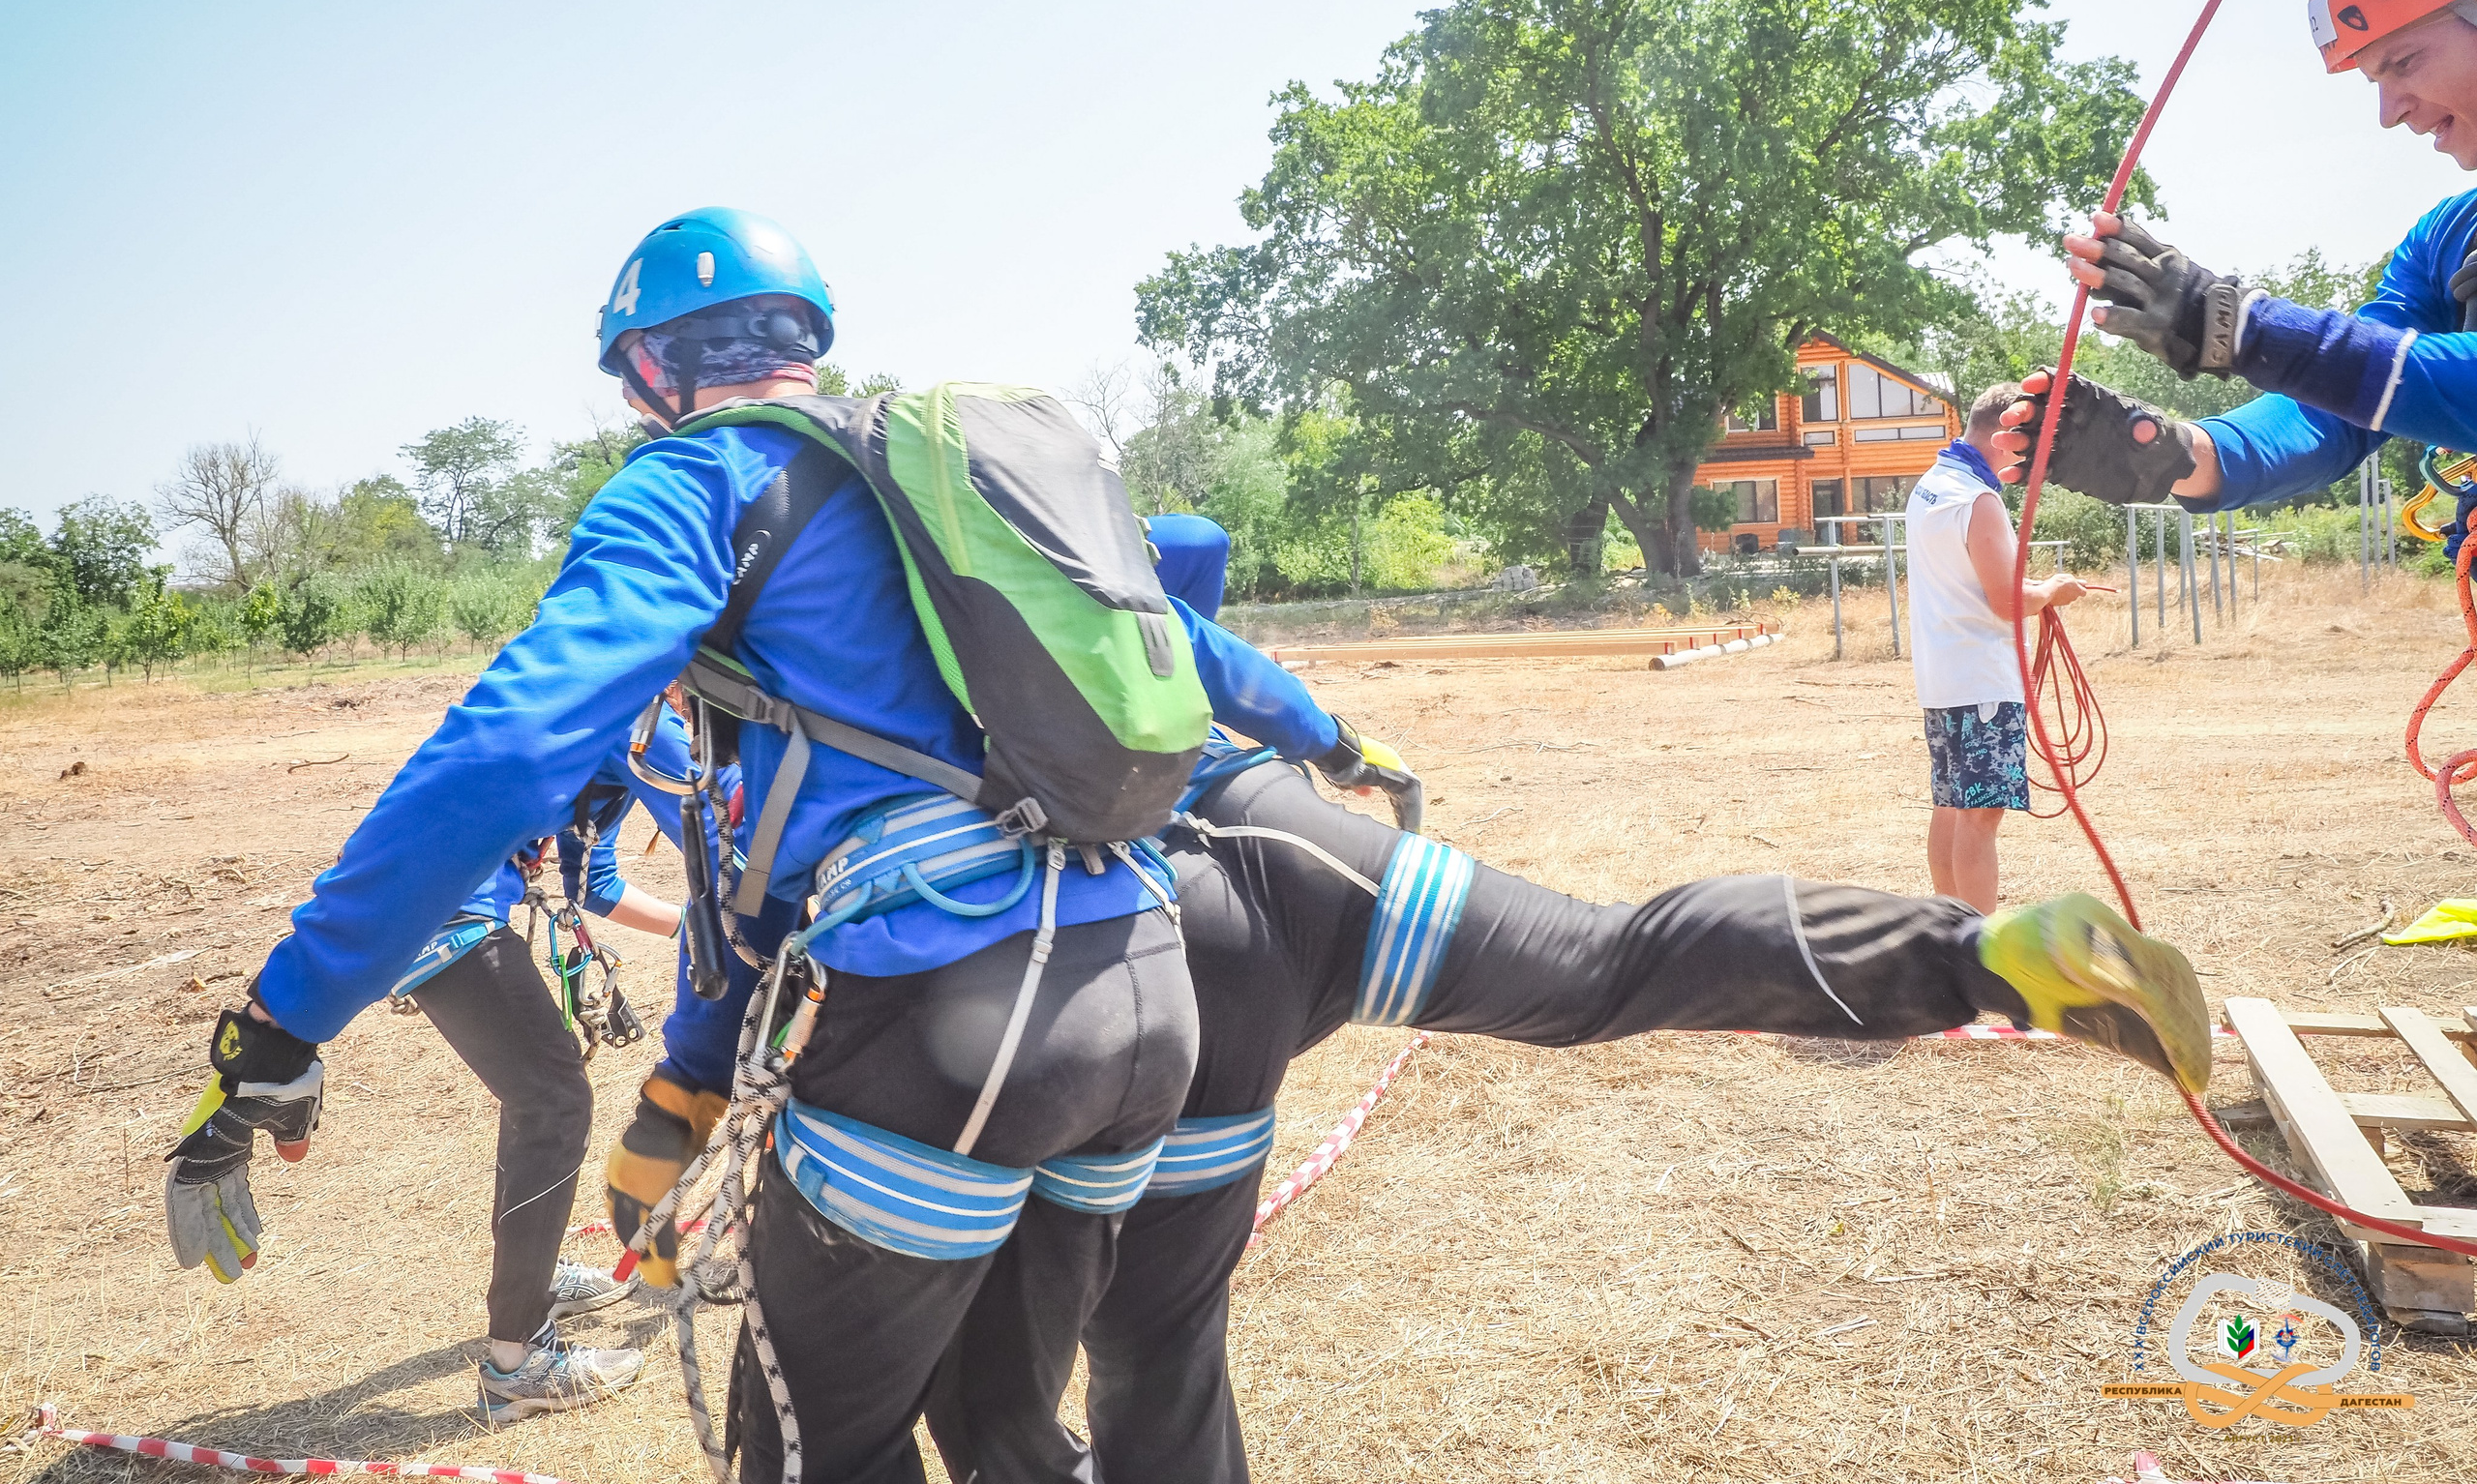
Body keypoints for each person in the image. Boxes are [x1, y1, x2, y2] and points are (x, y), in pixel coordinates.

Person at [161, 206, 1410, 1484]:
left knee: (813, 1434)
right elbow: (1173, 638)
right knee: (1017, 1423)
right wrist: (1328, 733)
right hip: (1130, 989)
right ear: (807, 341)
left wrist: (285, 1017)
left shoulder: (696, 478)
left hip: (917, 1033)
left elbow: (514, 757)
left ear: (651, 369)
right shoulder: (926, 475)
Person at [913, 533, 2207, 1484]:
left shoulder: (954, 626)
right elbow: (1261, 687)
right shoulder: (1147, 604)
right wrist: (1350, 751)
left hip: (1131, 930)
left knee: (1110, 1339)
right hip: (1300, 847)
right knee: (1614, 960)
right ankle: (1994, 959)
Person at [1997, 0, 2477, 533]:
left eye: (2403, 62)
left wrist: (2241, 327)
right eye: (2376, 81)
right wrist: (2180, 454)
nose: (2390, 112)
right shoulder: (2447, 239)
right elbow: (2340, 410)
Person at [385, 714, 693, 1422]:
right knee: (554, 1105)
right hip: (449, 908)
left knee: (541, 1101)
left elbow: (599, 882)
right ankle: (517, 1365)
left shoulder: (615, 711)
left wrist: (689, 928)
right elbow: (731, 853)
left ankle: (536, 1276)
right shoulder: (647, 712)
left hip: (431, 897)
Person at [1903, 385, 2090, 913]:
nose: (2030, 458)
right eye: (2028, 443)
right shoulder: (1978, 501)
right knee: (1979, 817)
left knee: (1951, 807)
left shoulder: (1931, 487)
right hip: (1982, 677)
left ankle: (1945, 934)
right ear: (2005, 433)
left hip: (1943, 677)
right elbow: (2008, 601)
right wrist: (2052, 591)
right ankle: (1980, 949)